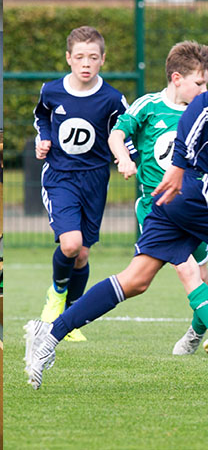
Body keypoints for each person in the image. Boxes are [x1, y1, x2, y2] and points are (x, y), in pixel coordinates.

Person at [25, 21, 208, 389]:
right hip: (194, 192)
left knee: (136, 280)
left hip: (173, 197)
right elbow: (195, 114)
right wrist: (178, 167)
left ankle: (48, 333)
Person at [108, 40, 208, 356]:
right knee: (185, 268)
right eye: (199, 83)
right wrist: (123, 157)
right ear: (177, 78)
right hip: (155, 207)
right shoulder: (148, 106)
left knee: (201, 276)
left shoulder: (205, 113)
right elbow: (116, 134)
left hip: (192, 205)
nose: (205, 90)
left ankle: (196, 332)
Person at [32, 26, 129, 343]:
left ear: (103, 59)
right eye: (79, 57)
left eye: (92, 57)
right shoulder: (52, 91)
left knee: (83, 254)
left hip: (96, 180)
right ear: (68, 59)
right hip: (60, 177)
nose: (85, 63)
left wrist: (127, 158)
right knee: (70, 244)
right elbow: (42, 117)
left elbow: (127, 132)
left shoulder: (113, 99)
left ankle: (69, 319)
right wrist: (43, 140)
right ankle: (56, 296)